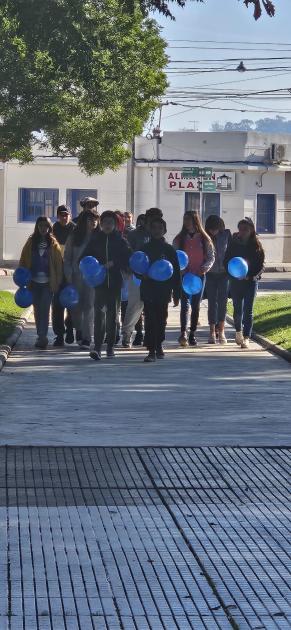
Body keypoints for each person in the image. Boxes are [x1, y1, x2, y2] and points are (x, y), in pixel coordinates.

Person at [81, 211, 131, 361]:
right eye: (105, 222)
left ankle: (110, 347)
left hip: (115, 283)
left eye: (111, 223)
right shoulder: (95, 240)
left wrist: (114, 263)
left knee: (112, 316)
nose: (108, 225)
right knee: (99, 315)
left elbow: (128, 258)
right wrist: (93, 267)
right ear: (101, 224)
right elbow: (84, 258)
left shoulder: (121, 241)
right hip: (99, 283)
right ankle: (97, 347)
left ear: (115, 225)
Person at [140, 216, 181, 362]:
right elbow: (136, 266)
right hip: (148, 289)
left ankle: (159, 345)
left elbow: (176, 272)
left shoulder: (169, 250)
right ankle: (151, 350)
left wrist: (177, 293)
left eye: (160, 228)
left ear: (164, 230)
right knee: (150, 319)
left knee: (161, 318)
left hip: (164, 290)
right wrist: (141, 275)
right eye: (154, 228)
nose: (157, 231)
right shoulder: (144, 248)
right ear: (149, 230)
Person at [19, 216, 63, 349]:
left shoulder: (54, 244)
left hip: (48, 283)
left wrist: (58, 281)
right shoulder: (31, 242)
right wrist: (22, 278)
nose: (43, 229)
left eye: (45, 226)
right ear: (37, 227)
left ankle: (43, 336)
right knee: (37, 310)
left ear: (49, 228)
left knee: (45, 309)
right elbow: (23, 261)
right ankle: (40, 335)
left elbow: (58, 265)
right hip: (33, 282)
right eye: (40, 226)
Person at [121, 208, 163, 348]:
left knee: (153, 310)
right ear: (147, 218)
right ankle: (127, 334)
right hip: (137, 276)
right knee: (134, 306)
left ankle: (152, 338)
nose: (155, 221)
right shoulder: (134, 235)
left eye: (159, 217)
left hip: (155, 278)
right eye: (153, 217)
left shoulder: (159, 236)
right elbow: (128, 253)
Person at [173, 211, 215, 347]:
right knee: (184, 305)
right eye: (184, 219)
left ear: (195, 220)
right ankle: (183, 333)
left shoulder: (204, 238)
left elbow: (210, 257)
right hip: (184, 275)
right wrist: (181, 269)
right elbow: (175, 257)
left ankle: (192, 333)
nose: (186, 222)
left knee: (196, 305)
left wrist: (205, 268)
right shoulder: (180, 238)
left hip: (198, 276)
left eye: (189, 219)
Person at [224, 217, 265, 349]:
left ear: (251, 230)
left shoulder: (256, 245)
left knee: (248, 310)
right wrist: (233, 275)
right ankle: (238, 332)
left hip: (250, 282)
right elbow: (226, 262)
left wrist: (251, 276)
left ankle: (247, 337)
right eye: (240, 229)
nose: (242, 232)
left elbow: (261, 265)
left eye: (245, 229)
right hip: (236, 281)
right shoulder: (233, 244)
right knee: (237, 309)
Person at [64, 209, 99, 349]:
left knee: (90, 306)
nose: (94, 222)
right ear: (84, 221)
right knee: (76, 307)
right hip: (76, 275)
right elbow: (67, 257)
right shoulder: (74, 236)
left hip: (93, 277)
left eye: (96, 219)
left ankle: (86, 338)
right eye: (90, 219)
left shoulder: (99, 237)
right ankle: (78, 329)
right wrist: (68, 274)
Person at [205, 215, 232, 345]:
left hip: (224, 273)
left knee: (222, 302)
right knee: (212, 302)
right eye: (210, 229)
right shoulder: (205, 236)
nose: (213, 231)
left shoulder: (226, 235)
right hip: (210, 273)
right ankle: (211, 331)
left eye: (215, 228)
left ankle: (221, 330)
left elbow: (232, 251)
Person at [52, 205, 75, 346]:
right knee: (57, 305)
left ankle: (70, 329)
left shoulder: (75, 229)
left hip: (71, 272)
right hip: (57, 272)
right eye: (61, 215)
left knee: (72, 303)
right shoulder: (52, 229)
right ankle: (59, 335)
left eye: (66, 215)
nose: (64, 217)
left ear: (70, 215)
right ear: (57, 216)